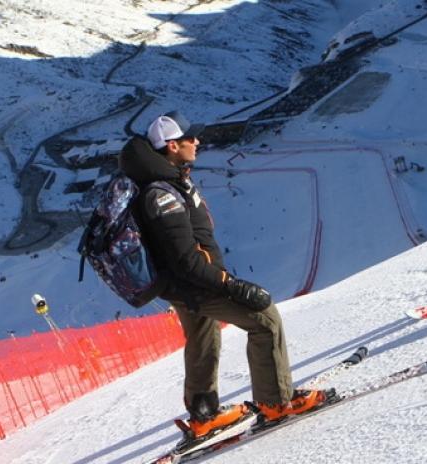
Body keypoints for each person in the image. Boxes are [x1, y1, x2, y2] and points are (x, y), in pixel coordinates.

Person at [118, 111, 329, 439]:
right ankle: (276, 402)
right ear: (172, 146)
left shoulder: (171, 179)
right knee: (264, 319)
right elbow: (186, 261)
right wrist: (230, 285)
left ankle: (204, 415)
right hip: (194, 282)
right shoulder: (161, 194)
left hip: (184, 283)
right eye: (190, 138)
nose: (197, 141)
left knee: (203, 334)